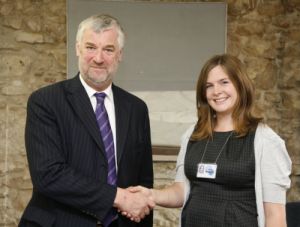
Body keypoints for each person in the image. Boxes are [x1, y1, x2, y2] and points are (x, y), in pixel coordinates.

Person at [19, 14, 154, 227]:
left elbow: (143, 182)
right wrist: (119, 197)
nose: (98, 58)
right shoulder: (46, 102)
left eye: (108, 49)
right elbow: (49, 175)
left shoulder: (136, 109)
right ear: (77, 49)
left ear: (120, 54)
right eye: (91, 47)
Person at [129, 54, 292, 227]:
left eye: (224, 82)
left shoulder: (265, 141)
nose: (216, 91)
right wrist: (151, 195)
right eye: (209, 86)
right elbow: (181, 191)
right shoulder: (192, 134)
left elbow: (275, 216)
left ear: (240, 85)